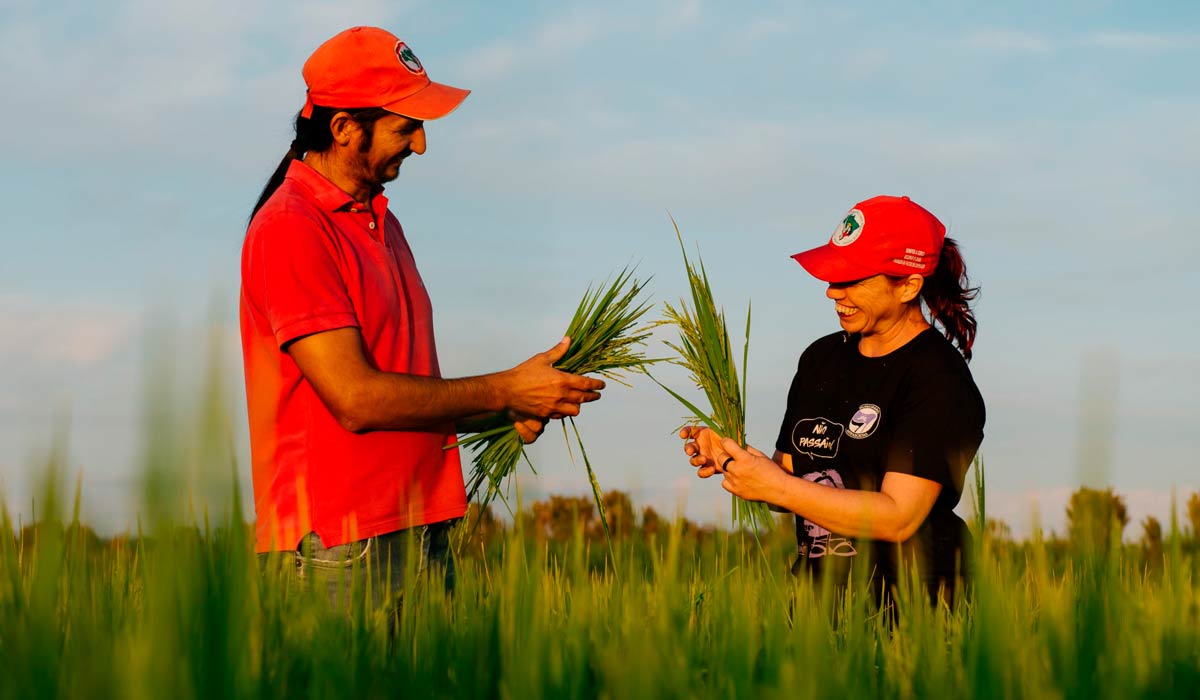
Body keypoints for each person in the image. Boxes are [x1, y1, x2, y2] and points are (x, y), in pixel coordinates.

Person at [240, 27, 606, 607]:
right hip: (338, 548)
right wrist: (504, 390)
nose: (421, 145)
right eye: (405, 127)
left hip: (419, 528)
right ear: (343, 129)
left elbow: (405, 391)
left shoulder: (381, 223)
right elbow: (356, 399)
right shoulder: (292, 226)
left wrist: (510, 403)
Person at [680, 195, 984, 605]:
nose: (831, 292)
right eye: (831, 277)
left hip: (914, 617)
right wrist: (733, 457)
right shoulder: (821, 360)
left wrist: (777, 488)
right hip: (815, 611)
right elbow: (788, 479)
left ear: (909, 285)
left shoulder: (937, 378)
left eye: (852, 279)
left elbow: (899, 516)